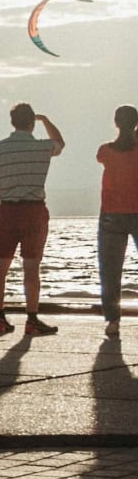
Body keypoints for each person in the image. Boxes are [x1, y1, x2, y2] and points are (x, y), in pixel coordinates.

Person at [0, 103, 65, 337]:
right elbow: (60, 143)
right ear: (31, 123)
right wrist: (46, 119)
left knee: (1, 265)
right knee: (31, 266)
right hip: (34, 211)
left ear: (12, 122)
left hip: (7, 211)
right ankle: (31, 319)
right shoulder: (42, 147)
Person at [97, 106, 138, 340]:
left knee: (111, 271)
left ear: (115, 122)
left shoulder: (105, 151)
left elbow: (103, 157)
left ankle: (113, 321)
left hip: (112, 215)